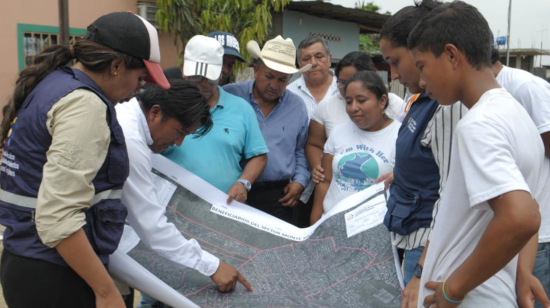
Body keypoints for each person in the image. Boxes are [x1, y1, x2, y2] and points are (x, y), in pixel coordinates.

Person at [0, 12, 169, 308]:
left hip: (29, 260)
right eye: (139, 79)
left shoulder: (55, 85)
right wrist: (105, 291)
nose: (136, 91)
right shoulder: (85, 105)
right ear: (116, 66)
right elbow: (58, 217)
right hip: (57, 274)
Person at [408, 2, 544, 307]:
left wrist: (452, 289)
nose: (421, 81)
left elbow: (522, 217)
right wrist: (523, 272)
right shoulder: (515, 115)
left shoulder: (478, 124)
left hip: (473, 297)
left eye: (422, 66)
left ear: (452, 55)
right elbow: (532, 207)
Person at [117, 80, 253, 308]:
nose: (178, 143)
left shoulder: (127, 118)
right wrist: (213, 266)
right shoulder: (131, 141)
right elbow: (151, 227)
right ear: (155, 112)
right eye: (179, 132)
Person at [378, 0, 445, 288]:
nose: (393, 75)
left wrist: (421, 270)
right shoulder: (419, 99)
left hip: (428, 249)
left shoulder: (446, 107)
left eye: (395, 61)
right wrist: (400, 175)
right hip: (410, 235)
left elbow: (453, 198)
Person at [163, 35, 268, 204]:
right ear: (183, 70)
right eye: (196, 77)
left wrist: (243, 183)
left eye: (210, 78)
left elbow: (259, 156)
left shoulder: (242, 109)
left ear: (221, 74)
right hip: (170, 203)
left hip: (220, 210)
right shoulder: (164, 104)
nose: (203, 84)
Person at [224, 36, 311, 224]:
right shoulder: (230, 95)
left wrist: (300, 181)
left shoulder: (297, 106)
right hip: (231, 191)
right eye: (269, 76)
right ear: (255, 70)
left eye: (282, 80)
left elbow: (300, 149)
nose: (274, 85)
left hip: (278, 197)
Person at [310, 71, 400, 224]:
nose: (353, 108)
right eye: (349, 101)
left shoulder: (400, 136)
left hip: (374, 229)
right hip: (332, 223)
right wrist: (314, 223)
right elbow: (325, 181)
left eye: (361, 100)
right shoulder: (339, 131)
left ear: (382, 101)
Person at [306, 51, 405, 185]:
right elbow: (314, 143)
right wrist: (318, 166)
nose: (348, 87)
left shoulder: (396, 104)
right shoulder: (327, 106)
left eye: (353, 80)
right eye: (342, 82)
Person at [163, 31, 245, 86]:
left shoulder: (231, 93)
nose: (225, 70)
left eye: (230, 65)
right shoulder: (169, 79)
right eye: (220, 62)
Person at [287, 36, 338, 120]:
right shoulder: (288, 93)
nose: (313, 63)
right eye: (306, 59)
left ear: (329, 59)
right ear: (299, 64)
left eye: (319, 57)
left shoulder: (344, 88)